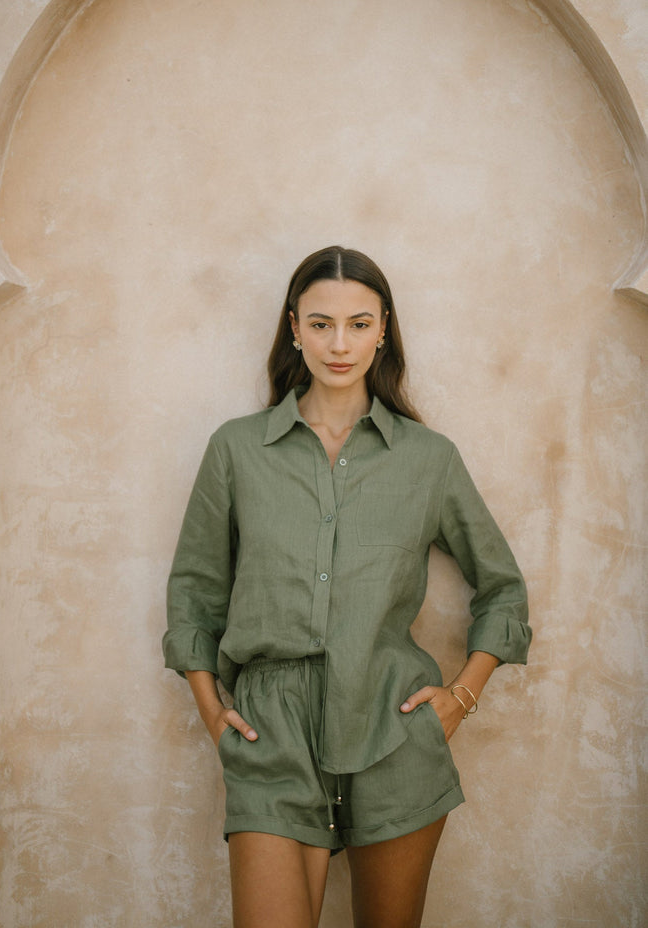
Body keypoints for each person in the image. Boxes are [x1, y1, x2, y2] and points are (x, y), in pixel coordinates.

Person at [163, 246, 531, 928]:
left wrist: (459, 698)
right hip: (268, 733)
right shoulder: (237, 451)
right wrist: (211, 711)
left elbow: (502, 589)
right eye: (322, 323)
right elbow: (194, 592)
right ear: (293, 327)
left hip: (394, 730)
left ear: (383, 329)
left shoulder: (427, 459)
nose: (340, 343)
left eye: (359, 324)